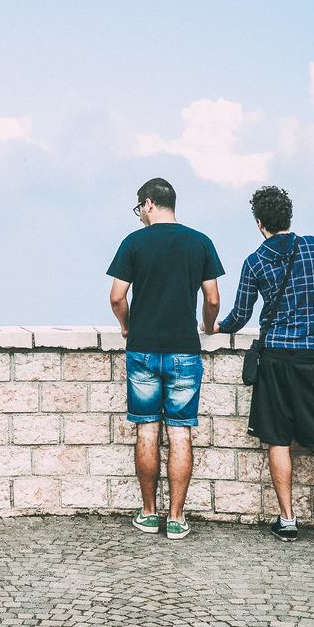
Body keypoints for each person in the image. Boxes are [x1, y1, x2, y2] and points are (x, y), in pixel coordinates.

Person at [213, 185, 314, 545]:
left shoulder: (254, 261)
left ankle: (287, 521)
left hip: (274, 359)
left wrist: (217, 327)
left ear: (259, 223)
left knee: (278, 439)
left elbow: (240, 314)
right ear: (289, 216)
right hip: (312, 357)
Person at [107, 177, 223, 541]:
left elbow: (116, 296)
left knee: (146, 429)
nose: (140, 214)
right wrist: (206, 324)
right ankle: (176, 518)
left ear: (148, 204)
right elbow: (214, 299)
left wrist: (127, 326)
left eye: (139, 208)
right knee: (180, 431)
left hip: (142, 349)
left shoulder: (134, 242)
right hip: (185, 350)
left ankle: (147, 513)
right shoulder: (200, 241)